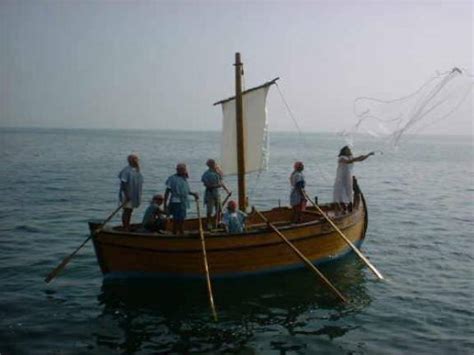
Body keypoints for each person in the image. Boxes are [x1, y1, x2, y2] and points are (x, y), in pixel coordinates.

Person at [333, 146, 374, 213]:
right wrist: (357, 158)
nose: (349, 150)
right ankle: (343, 207)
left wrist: (368, 155)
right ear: (344, 151)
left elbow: (360, 159)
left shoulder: (350, 157)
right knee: (341, 193)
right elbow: (348, 161)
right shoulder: (341, 158)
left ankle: (350, 206)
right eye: (347, 149)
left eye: (349, 149)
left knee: (349, 192)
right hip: (341, 178)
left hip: (349, 177)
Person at [164, 163, 199, 235]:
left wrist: (194, 194)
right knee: (176, 219)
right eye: (183, 169)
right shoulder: (172, 178)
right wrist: (165, 204)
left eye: (184, 169)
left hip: (183, 202)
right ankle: (175, 232)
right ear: (178, 170)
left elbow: (186, 191)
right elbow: (167, 191)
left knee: (182, 218)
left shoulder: (184, 179)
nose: (184, 171)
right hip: (176, 202)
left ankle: (181, 232)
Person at [201, 159, 230, 229]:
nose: (215, 165)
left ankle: (218, 222)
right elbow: (206, 185)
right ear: (210, 165)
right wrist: (216, 186)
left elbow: (221, 182)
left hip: (217, 193)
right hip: (210, 194)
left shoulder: (217, 172)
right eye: (213, 164)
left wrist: (227, 191)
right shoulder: (206, 174)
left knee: (219, 209)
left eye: (214, 164)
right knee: (209, 210)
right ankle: (208, 223)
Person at [118, 154, 143, 231]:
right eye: (135, 160)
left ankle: (127, 225)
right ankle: (125, 227)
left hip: (133, 194)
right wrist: (127, 194)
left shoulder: (136, 170)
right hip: (127, 194)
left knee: (130, 210)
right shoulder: (126, 170)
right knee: (127, 210)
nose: (137, 161)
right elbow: (123, 183)